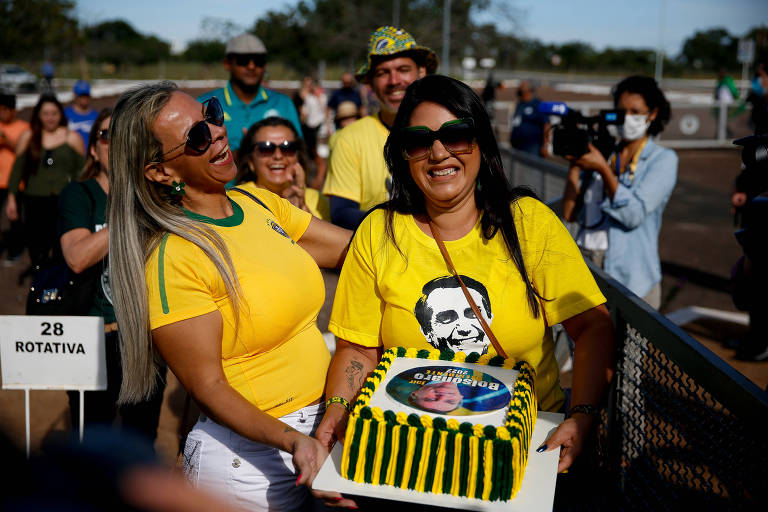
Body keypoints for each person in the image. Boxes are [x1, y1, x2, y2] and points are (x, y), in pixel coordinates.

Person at [315, 76, 615, 498]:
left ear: (481, 142)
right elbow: (358, 348)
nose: (439, 152)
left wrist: (582, 415)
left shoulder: (529, 223)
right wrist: (338, 409)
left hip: (524, 453)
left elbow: (593, 327)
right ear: (403, 154)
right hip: (409, 456)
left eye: (456, 134)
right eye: (420, 141)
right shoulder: (378, 232)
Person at [107, 81, 351, 510]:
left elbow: (353, 251)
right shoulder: (173, 258)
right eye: (197, 137)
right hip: (250, 463)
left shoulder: (255, 202)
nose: (217, 132)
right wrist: (293, 440)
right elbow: (208, 386)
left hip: (315, 432)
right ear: (161, 172)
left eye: (212, 114)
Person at [58, 108, 167, 442]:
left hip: (145, 339)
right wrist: (132, 210)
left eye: (124, 137)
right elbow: (77, 258)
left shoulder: (157, 194)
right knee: (91, 439)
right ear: (93, 149)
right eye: (106, 135)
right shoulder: (80, 194)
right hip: (93, 335)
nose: (115, 144)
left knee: (140, 440)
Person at [562, 75, 677, 309]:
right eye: (622, 111)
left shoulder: (663, 160)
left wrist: (603, 170)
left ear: (652, 114)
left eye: (636, 112)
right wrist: (575, 165)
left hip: (632, 278)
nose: (628, 119)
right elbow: (569, 213)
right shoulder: (603, 151)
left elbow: (633, 214)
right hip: (587, 265)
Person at [322, 25, 437, 229]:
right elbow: (341, 213)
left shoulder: (447, 132)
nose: (394, 81)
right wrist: (407, 230)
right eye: (383, 73)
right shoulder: (349, 138)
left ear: (421, 72)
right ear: (371, 83)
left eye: (403, 70)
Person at [6, 94, 84, 270]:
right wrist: (12, 198)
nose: (50, 118)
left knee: (61, 246)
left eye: (54, 113)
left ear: (61, 114)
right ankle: (39, 284)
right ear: (38, 115)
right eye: (46, 113)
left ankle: (59, 286)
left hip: (63, 202)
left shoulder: (72, 138)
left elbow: (84, 173)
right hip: (35, 201)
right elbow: (17, 171)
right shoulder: (28, 137)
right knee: (37, 247)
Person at [197, 33, 302, 155]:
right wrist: (239, 156)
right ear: (227, 64)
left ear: (265, 66)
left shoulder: (284, 104)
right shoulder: (204, 104)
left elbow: (298, 151)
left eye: (258, 61)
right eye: (243, 61)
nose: (251, 66)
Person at [236, 116, 330, 221]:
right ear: (250, 161)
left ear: (297, 156)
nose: (278, 156)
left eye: (287, 147)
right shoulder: (238, 200)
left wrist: (302, 210)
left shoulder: (316, 199)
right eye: (265, 148)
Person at [0, 93, 30, 263]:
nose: (1, 114)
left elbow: (20, 149)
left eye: (4, 110)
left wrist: (5, 138)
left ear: (13, 111)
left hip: (16, 182)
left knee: (15, 218)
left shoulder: (24, 128)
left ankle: (15, 250)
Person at [509, 80, 550, 157]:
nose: (519, 89)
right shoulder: (519, 104)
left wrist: (545, 146)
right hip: (517, 145)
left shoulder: (538, 104)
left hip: (532, 146)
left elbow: (546, 125)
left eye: (521, 88)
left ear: (529, 90)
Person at [64, 80, 99, 150]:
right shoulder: (65, 114)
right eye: (81, 95)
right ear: (75, 95)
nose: (84, 98)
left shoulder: (96, 116)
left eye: (86, 95)